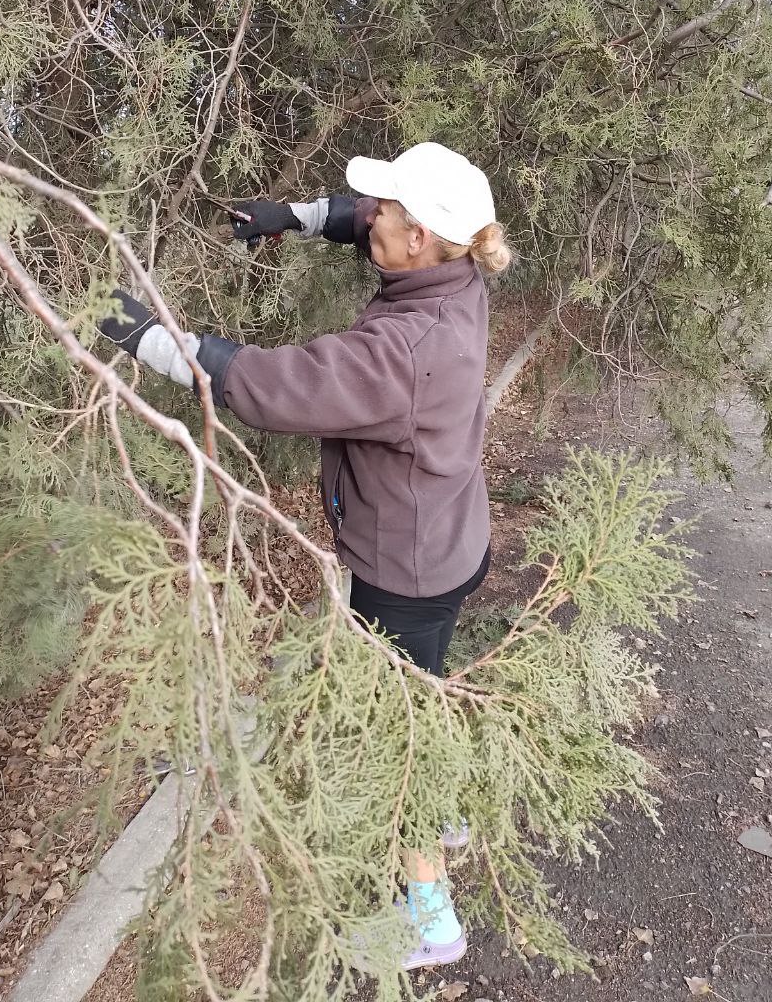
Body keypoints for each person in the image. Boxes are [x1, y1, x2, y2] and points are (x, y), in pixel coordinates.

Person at [99, 140, 512, 969]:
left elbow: (271, 384)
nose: (373, 219)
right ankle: (449, 805)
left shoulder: (405, 351)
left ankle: (429, 917)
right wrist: (298, 216)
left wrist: (148, 339)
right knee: (418, 692)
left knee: (388, 737)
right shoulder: (457, 274)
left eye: (389, 211)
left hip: (406, 575)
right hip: (451, 541)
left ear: (422, 236)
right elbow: (360, 220)